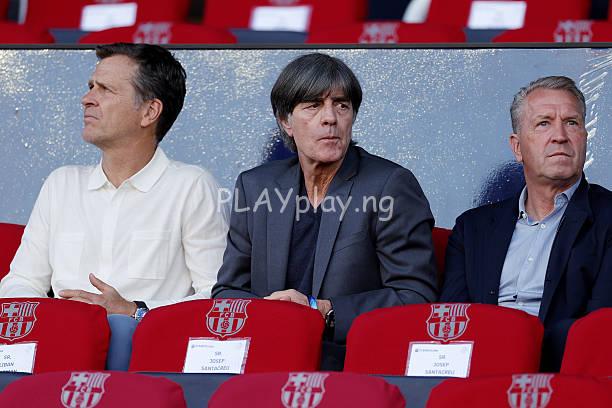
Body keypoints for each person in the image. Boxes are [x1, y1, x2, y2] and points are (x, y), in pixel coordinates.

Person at [0, 43, 229, 369]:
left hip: (147, 362)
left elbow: (216, 296)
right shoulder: (61, 183)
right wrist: (59, 320)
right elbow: (20, 283)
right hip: (59, 356)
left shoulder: (191, 186)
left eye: (105, 89)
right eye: (91, 86)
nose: (87, 98)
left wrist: (135, 311)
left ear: (149, 112)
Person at [212, 53, 437, 369]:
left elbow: (415, 295)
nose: (330, 118)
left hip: (351, 362)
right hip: (266, 357)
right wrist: (270, 313)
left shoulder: (389, 185)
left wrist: (323, 310)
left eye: (341, 105)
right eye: (313, 105)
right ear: (286, 121)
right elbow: (227, 291)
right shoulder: (255, 186)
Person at [441, 76, 612, 371]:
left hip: (566, 378)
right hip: (480, 374)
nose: (560, 136)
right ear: (517, 147)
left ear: (584, 137)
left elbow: (599, 333)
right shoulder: (472, 230)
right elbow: (454, 325)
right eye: (544, 123)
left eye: (571, 122)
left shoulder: (608, 217)